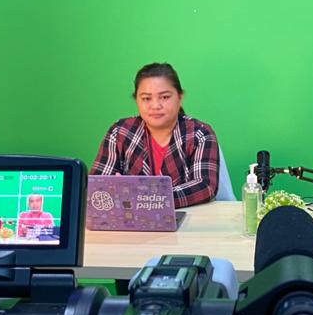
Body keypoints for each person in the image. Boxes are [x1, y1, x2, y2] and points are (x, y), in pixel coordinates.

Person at [91, 62, 220, 208]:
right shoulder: (120, 132)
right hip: (130, 219)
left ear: (180, 97)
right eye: (146, 98)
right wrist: (153, 197)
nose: (155, 106)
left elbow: (205, 187)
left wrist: (140, 196)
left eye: (164, 97)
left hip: (187, 219)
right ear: (136, 100)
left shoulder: (200, 134)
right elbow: (97, 186)